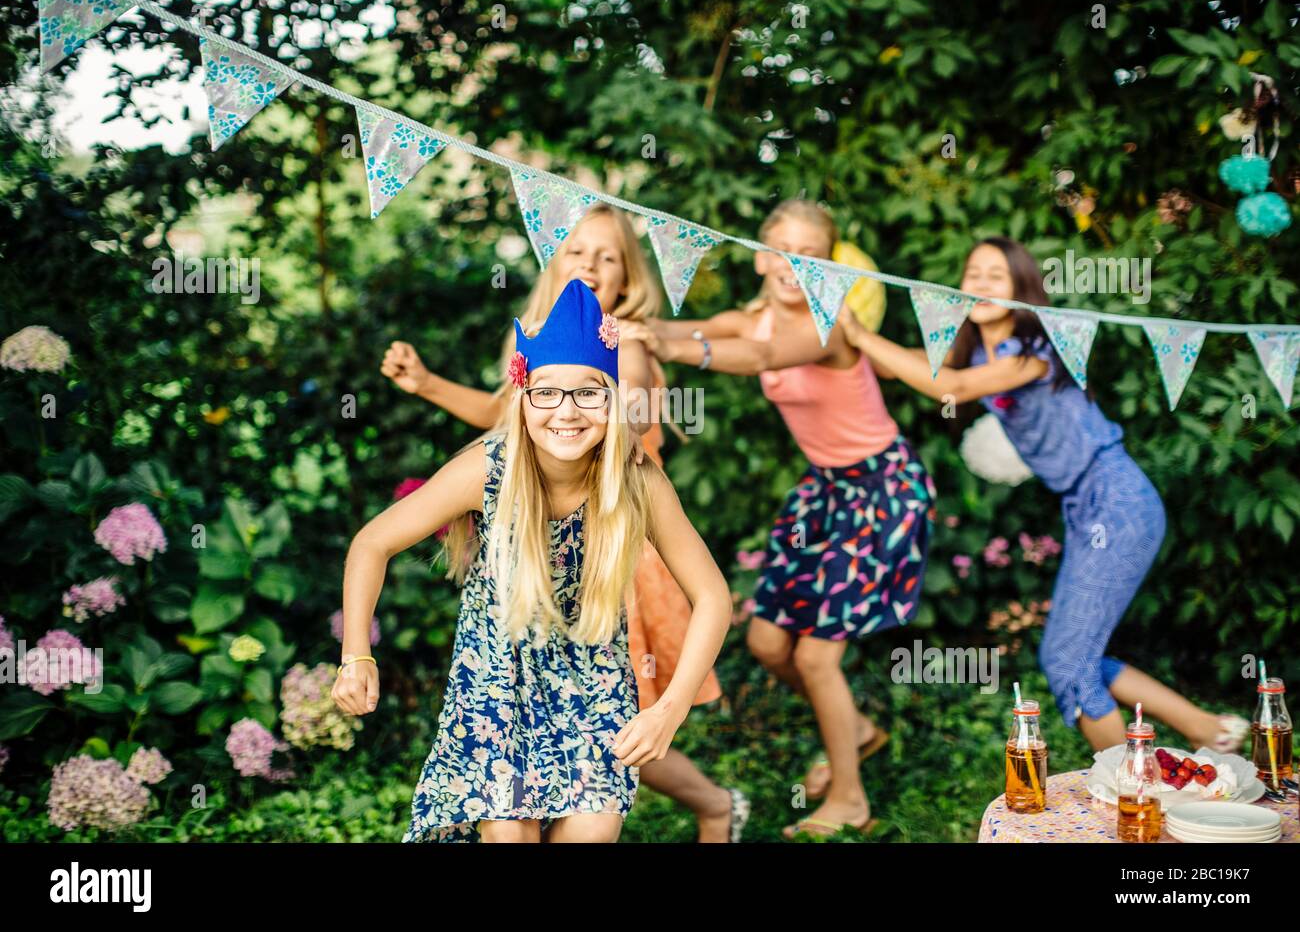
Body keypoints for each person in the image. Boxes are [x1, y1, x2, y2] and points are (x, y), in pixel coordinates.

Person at [379, 204, 747, 841]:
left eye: (608, 256)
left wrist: (618, 417)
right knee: (567, 712)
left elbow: (623, 395)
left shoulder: (621, 344)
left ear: (629, 275)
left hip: (620, 554)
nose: (591, 265)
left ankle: (712, 802)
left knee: (611, 715)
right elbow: (506, 416)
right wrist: (430, 385)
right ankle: (694, 801)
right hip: (544, 552)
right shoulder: (540, 345)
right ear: (555, 258)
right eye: (578, 251)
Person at [836, 236, 1250, 752]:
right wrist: (845, 323)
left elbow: (954, 389)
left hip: (1117, 499)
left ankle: (1130, 787)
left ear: (1021, 288)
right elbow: (906, 365)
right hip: (1086, 506)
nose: (982, 283)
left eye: (997, 275)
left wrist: (857, 332)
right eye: (973, 274)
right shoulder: (975, 354)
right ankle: (1208, 729)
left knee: (1066, 660)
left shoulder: (1035, 348)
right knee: (1075, 655)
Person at [621, 200, 935, 838]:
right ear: (762, 255)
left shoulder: (831, 327)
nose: (796, 264)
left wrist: (677, 350)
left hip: (882, 491)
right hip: (825, 491)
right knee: (767, 642)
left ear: (829, 266)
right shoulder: (754, 315)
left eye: (811, 254)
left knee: (817, 658)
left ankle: (849, 797)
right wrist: (624, 325)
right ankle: (857, 730)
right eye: (784, 249)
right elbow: (691, 330)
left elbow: (761, 357)